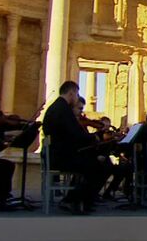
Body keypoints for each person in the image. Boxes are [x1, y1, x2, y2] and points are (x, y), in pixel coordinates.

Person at [42, 81, 107, 214]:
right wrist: (95, 137)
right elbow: (76, 135)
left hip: (58, 154)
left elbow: (72, 134)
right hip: (62, 157)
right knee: (99, 167)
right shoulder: (63, 110)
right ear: (71, 93)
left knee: (95, 163)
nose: (77, 98)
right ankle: (74, 200)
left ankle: (81, 201)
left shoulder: (57, 107)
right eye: (77, 94)